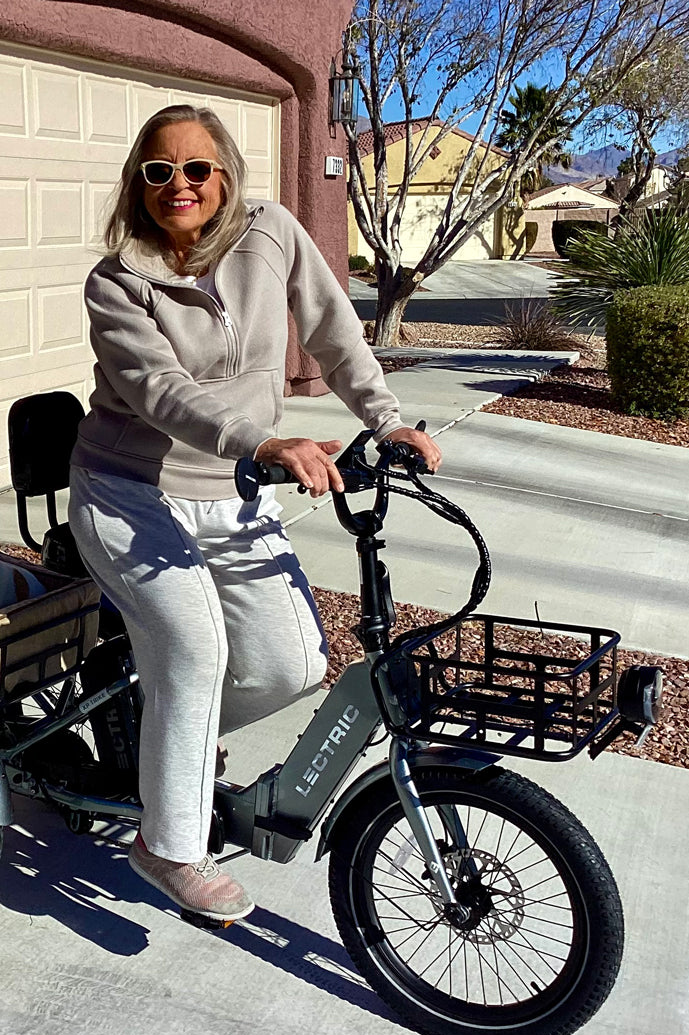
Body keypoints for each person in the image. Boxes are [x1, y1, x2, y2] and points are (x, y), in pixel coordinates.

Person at [68, 105, 440, 921]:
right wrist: (263, 443)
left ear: (226, 174)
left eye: (197, 169)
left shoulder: (271, 232)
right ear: (138, 182)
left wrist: (385, 419)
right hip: (128, 493)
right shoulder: (117, 282)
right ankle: (167, 847)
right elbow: (161, 394)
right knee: (196, 652)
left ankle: (163, 737)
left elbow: (334, 330)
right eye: (158, 171)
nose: (179, 186)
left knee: (290, 666)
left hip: (230, 491)